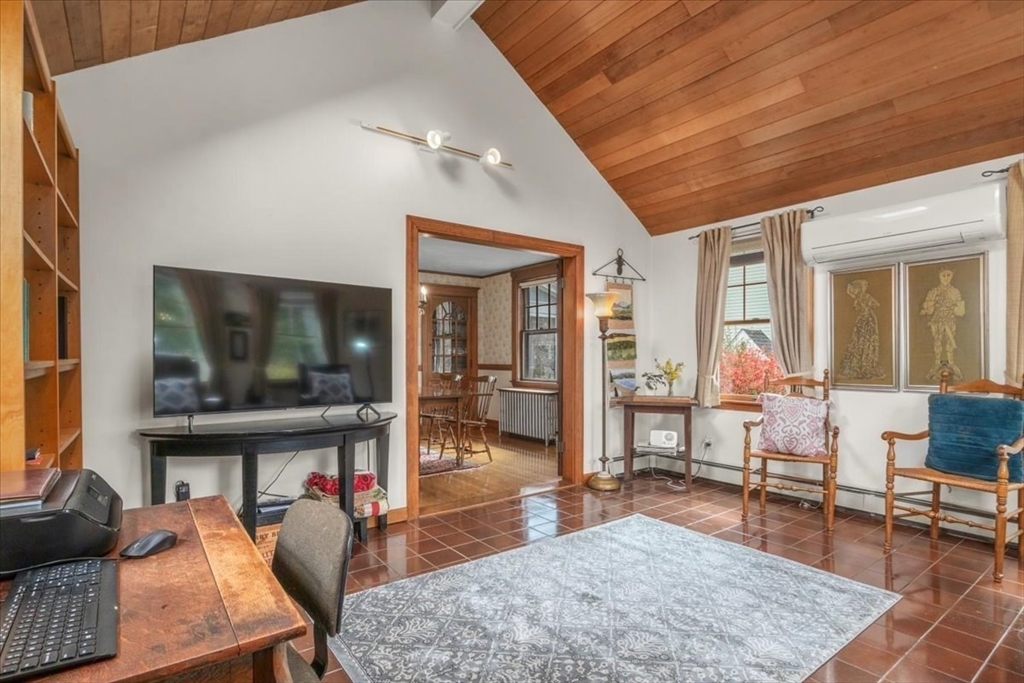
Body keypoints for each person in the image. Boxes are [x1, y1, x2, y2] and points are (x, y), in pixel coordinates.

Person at [920, 268, 966, 381]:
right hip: (937, 321)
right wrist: (933, 304)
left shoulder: (955, 292)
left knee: (949, 343)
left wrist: (951, 305)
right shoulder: (933, 291)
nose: (946, 278)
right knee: (937, 340)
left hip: (950, 320)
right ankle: (937, 363)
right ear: (939, 276)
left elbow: (961, 312)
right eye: (943, 275)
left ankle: (951, 363)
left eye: (948, 275)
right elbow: (927, 310)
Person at [839, 280, 885, 380]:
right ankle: (865, 365)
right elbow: (876, 304)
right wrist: (867, 308)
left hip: (862, 319)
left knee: (860, 341)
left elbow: (855, 307)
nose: (865, 287)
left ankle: (861, 365)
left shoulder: (858, 298)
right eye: (864, 286)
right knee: (866, 341)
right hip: (869, 319)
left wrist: (862, 307)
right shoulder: (866, 296)